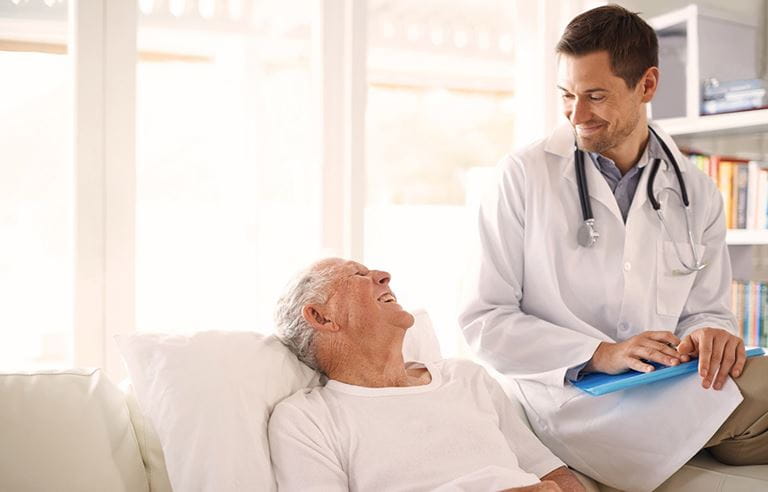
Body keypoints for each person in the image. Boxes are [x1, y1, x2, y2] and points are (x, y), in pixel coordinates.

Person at [459, 5, 768, 491]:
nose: (576, 115)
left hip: (665, 384)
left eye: (595, 96)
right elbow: (484, 320)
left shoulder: (697, 190)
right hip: (567, 400)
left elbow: (707, 310)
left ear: (646, 85)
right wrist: (598, 352)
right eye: (566, 95)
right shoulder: (522, 177)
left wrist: (710, 332)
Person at [268, 258, 586, 492]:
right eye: (358, 274)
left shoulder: (466, 378)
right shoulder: (308, 419)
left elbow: (554, 475)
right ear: (320, 316)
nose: (383, 275)